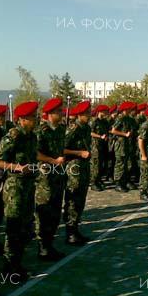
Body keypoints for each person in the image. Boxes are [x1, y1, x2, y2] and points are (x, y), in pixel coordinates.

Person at [0, 101, 39, 276]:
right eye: (32, 117)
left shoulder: (32, 136)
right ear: (22, 119)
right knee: (14, 226)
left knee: (25, 225)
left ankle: (17, 262)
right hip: (14, 185)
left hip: (29, 184)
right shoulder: (13, 136)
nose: (35, 119)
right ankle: (10, 266)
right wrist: (16, 167)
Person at [34, 98, 67, 261]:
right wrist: (53, 161)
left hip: (58, 176)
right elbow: (36, 153)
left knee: (55, 211)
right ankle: (42, 247)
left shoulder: (60, 130)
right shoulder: (41, 131)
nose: (62, 113)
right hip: (45, 177)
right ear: (50, 114)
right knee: (44, 212)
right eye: (59, 111)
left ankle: (49, 244)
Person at [63, 101, 92, 245]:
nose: (89, 115)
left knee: (81, 199)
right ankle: (70, 232)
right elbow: (61, 149)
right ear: (80, 114)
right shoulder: (73, 128)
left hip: (84, 167)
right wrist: (79, 153)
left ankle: (75, 228)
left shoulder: (86, 128)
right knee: (73, 200)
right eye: (87, 113)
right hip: (73, 168)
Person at [90, 105, 109, 191]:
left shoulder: (105, 121)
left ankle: (99, 180)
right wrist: (100, 136)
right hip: (95, 145)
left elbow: (108, 130)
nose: (107, 113)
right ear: (101, 112)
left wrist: (106, 137)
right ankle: (93, 182)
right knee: (96, 165)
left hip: (103, 145)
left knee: (102, 164)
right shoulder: (94, 121)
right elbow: (91, 133)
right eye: (105, 111)